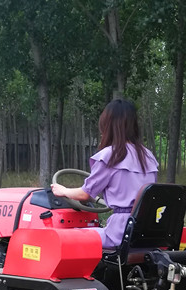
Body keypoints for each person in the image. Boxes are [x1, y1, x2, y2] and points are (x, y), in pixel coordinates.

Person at [51, 98, 158, 247]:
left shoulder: (110, 156)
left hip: (122, 231)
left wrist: (63, 191)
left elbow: (85, 194)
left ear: (108, 125)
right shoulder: (148, 157)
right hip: (147, 229)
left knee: (68, 238)